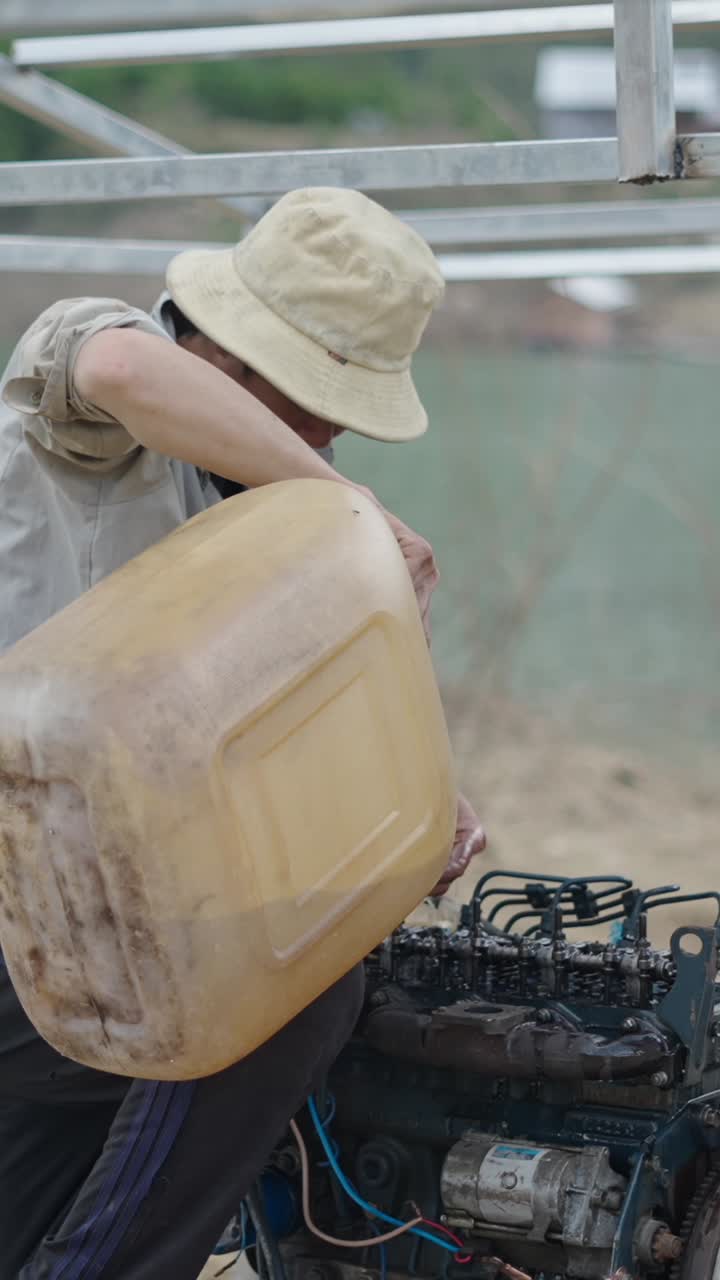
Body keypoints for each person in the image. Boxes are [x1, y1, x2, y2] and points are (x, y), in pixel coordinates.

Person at [0, 187, 485, 1280]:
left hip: (59, 912)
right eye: (323, 405)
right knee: (294, 977)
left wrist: (421, 799)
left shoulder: (242, 522)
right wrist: (343, 504)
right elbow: (122, 371)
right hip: (34, 901)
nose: (327, 434)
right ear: (233, 355)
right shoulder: (96, 410)